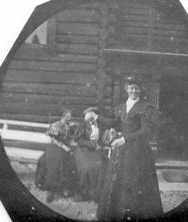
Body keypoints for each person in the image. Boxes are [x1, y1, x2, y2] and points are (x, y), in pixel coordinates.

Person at [85, 75, 163, 221]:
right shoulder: (121, 107)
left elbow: (145, 131)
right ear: (126, 89)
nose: (134, 91)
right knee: (120, 182)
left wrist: (124, 139)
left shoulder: (145, 108)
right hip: (122, 151)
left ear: (140, 91)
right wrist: (96, 118)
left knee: (135, 182)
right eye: (131, 88)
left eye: (137, 88)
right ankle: (118, 214)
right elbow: (113, 122)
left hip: (139, 152)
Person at [35, 109, 77, 203]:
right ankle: (50, 189)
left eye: (70, 116)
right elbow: (53, 139)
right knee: (54, 163)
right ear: (62, 116)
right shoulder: (56, 125)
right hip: (55, 147)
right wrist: (64, 147)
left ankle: (65, 187)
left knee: (71, 163)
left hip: (65, 149)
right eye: (67, 116)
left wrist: (69, 146)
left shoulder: (70, 126)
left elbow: (71, 138)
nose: (69, 118)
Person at [73, 107, 108, 202]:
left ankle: (96, 195)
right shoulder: (83, 124)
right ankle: (82, 193)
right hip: (83, 149)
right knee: (86, 167)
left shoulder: (100, 125)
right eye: (88, 114)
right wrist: (91, 144)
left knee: (101, 166)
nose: (90, 117)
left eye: (93, 114)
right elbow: (78, 140)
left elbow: (103, 137)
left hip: (96, 150)